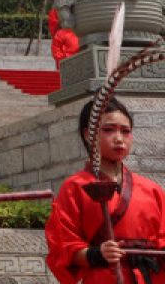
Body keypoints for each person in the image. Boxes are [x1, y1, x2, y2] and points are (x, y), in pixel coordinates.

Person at [45, 97, 165, 282]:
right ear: (88, 134)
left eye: (125, 131)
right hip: (103, 277)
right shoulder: (75, 187)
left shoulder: (152, 190)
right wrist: (95, 254)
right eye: (109, 130)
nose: (119, 138)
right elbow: (62, 247)